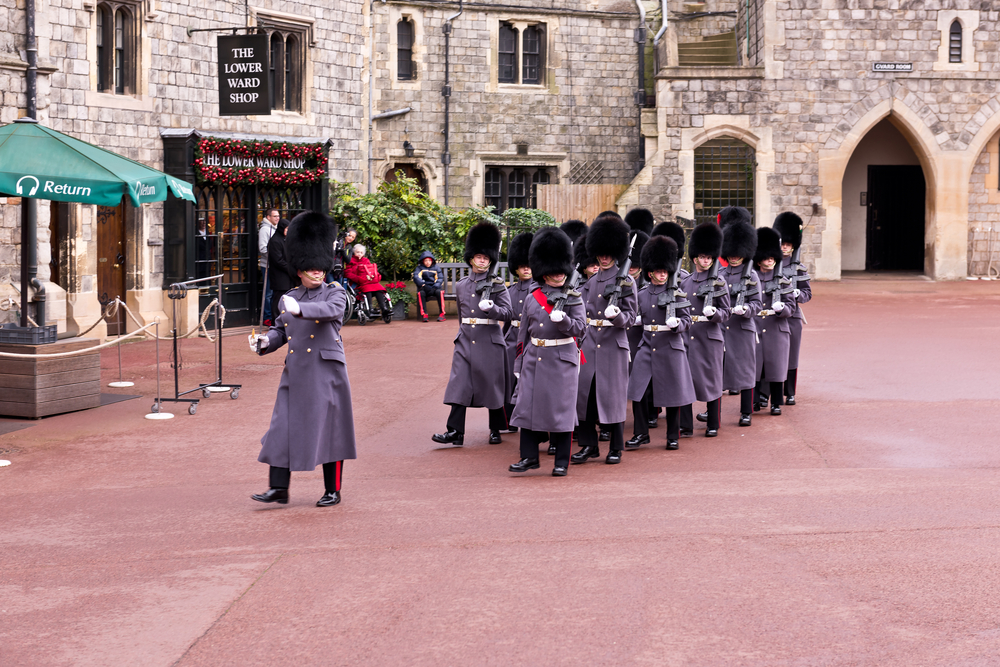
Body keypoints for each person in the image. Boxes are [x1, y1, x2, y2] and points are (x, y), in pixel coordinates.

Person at [247, 211, 356, 508]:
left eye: (320, 268)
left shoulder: (334, 293)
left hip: (325, 372)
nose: (317, 272)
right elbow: (281, 331)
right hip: (296, 372)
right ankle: (279, 488)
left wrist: (300, 310)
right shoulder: (289, 297)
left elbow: (331, 312)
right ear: (299, 270)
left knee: (330, 431)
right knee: (281, 428)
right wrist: (264, 342)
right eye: (310, 269)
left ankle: (332, 489)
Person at [508, 228, 587, 476]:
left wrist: (563, 320)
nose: (558, 276)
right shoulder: (533, 297)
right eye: (553, 272)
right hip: (534, 358)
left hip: (562, 359)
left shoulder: (574, 298)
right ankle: (529, 457)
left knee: (561, 412)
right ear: (544, 273)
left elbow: (581, 330)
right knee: (527, 408)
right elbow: (523, 335)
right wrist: (519, 365)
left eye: (561, 272)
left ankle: (562, 460)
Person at [432, 222, 513, 447]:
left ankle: (495, 429)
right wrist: (463, 335)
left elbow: (508, 313)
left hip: (489, 340)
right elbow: (461, 316)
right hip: (466, 340)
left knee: (492, 385)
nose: (482, 261)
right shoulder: (461, 285)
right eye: (478, 257)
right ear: (471, 258)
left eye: (486, 258)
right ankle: (455, 432)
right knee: (459, 384)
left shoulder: (498, 285)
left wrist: (492, 309)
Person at [571, 212, 637, 465]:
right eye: (601, 253)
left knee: (613, 398)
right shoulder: (588, 283)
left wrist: (617, 315)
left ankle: (616, 447)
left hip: (613, 345)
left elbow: (631, 318)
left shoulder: (626, 281)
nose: (604, 257)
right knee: (585, 397)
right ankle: (589, 445)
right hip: (589, 345)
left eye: (609, 253)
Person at [625, 235, 695, 450]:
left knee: (674, 394)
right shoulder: (642, 294)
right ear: (650, 272)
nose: (663, 274)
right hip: (647, 346)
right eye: (659, 271)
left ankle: (673, 435)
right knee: (638, 391)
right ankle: (641, 433)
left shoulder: (677, 294)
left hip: (671, 346)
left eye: (665, 271)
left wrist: (677, 325)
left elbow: (687, 320)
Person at [681, 222, 731, 437]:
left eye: (709, 258)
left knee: (711, 380)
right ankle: (685, 425)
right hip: (689, 334)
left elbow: (726, 312)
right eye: (702, 257)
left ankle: (713, 422)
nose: (706, 261)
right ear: (695, 258)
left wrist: (714, 314)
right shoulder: (685, 282)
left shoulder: (719, 282)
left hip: (710, 336)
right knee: (684, 380)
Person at [651, 220, 694, 436]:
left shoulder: (684, 279)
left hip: (680, 334)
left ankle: (684, 423)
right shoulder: (652, 281)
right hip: (660, 336)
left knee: (680, 379)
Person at [719, 221, 762, 427]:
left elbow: (757, 303)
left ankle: (746, 411)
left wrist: (746, 310)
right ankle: (713, 411)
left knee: (745, 370)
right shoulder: (720, 275)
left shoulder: (751, 275)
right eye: (731, 254)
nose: (734, 257)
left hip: (742, 328)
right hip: (722, 328)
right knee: (717, 371)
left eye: (737, 254)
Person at [754, 226, 797, 415]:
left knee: (776, 366)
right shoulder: (752, 279)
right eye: (767, 257)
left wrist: (783, 310)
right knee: (754, 367)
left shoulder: (783, 280)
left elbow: (791, 306)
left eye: (772, 258)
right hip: (756, 326)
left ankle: (776, 402)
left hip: (776, 326)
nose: (770, 261)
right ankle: (755, 401)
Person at [773, 212, 811, 405]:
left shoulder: (799, 268)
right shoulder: (770, 265)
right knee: (772, 353)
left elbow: (807, 294)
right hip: (774, 316)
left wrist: (798, 294)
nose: (785, 248)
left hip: (793, 316)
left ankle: (790, 391)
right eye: (783, 244)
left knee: (791, 355)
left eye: (788, 244)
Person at [502, 232, 534, 431]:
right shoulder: (511, 290)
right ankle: (508, 418)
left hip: (530, 340)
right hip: (512, 338)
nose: (527, 269)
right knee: (509, 380)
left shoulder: (538, 290)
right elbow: (507, 319)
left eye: (529, 265)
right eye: (523, 266)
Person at [344, 244, 391, 323]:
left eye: (361, 252)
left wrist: (376, 276)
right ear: (354, 252)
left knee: (379, 288)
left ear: (364, 254)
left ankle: (384, 309)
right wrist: (359, 279)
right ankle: (370, 309)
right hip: (357, 283)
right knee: (368, 289)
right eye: (357, 252)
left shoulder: (366, 260)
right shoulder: (350, 261)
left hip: (368, 281)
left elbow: (372, 271)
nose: (359, 254)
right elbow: (347, 273)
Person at [266, 218, 298, 320]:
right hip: (280, 276)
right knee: (278, 299)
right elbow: (278, 260)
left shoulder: (286, 240)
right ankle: (275, 321)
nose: (288, 231)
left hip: (287, 275)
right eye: (286, 229)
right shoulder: (275, 241)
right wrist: (291, 268)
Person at [258, 207, 280, 325]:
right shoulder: (264, 230)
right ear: (268, 217)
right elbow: (262, 248)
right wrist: (275, 256)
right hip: (267, 265)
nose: (278, 218)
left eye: (278, 216)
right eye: (275, 216)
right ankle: (267, 317)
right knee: (268, 293)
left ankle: (273, 316)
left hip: (275, 265)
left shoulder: (276, 228)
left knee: (274, 292)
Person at [413, 250, 446, 322]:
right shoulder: (419, 268)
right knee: (421, 293)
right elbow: (416, 277)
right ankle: (424, 314)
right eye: (426, 261)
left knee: (439, 292)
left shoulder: (437, 268)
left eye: (429, 260)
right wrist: (423, 285)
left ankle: (442, 314)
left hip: (435, 288)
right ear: (423, 261)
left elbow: (440, 278)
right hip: (425, 287)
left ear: (432, 261)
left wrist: (436, 286)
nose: (428, 262)